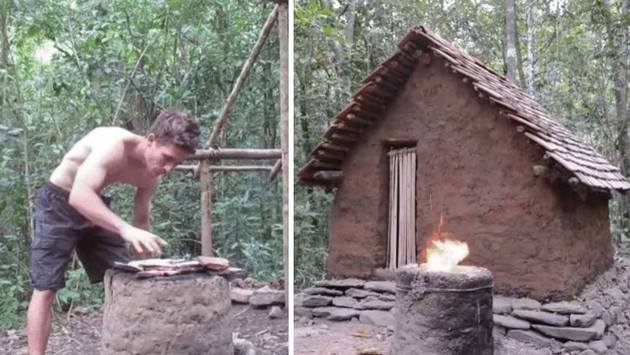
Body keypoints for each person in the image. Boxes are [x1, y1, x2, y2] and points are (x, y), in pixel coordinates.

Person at [26, 109, 200, 355]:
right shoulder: (114, 145)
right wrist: (124, 229)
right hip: (58, 202)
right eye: (167, 157)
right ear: (150, 139)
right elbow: (78, 195)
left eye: (177, 163)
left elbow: (141, 221)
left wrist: (149, 266)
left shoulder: (152, 174)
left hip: (94, 202)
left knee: (125, 275)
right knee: (46, 288)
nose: (169, 168)